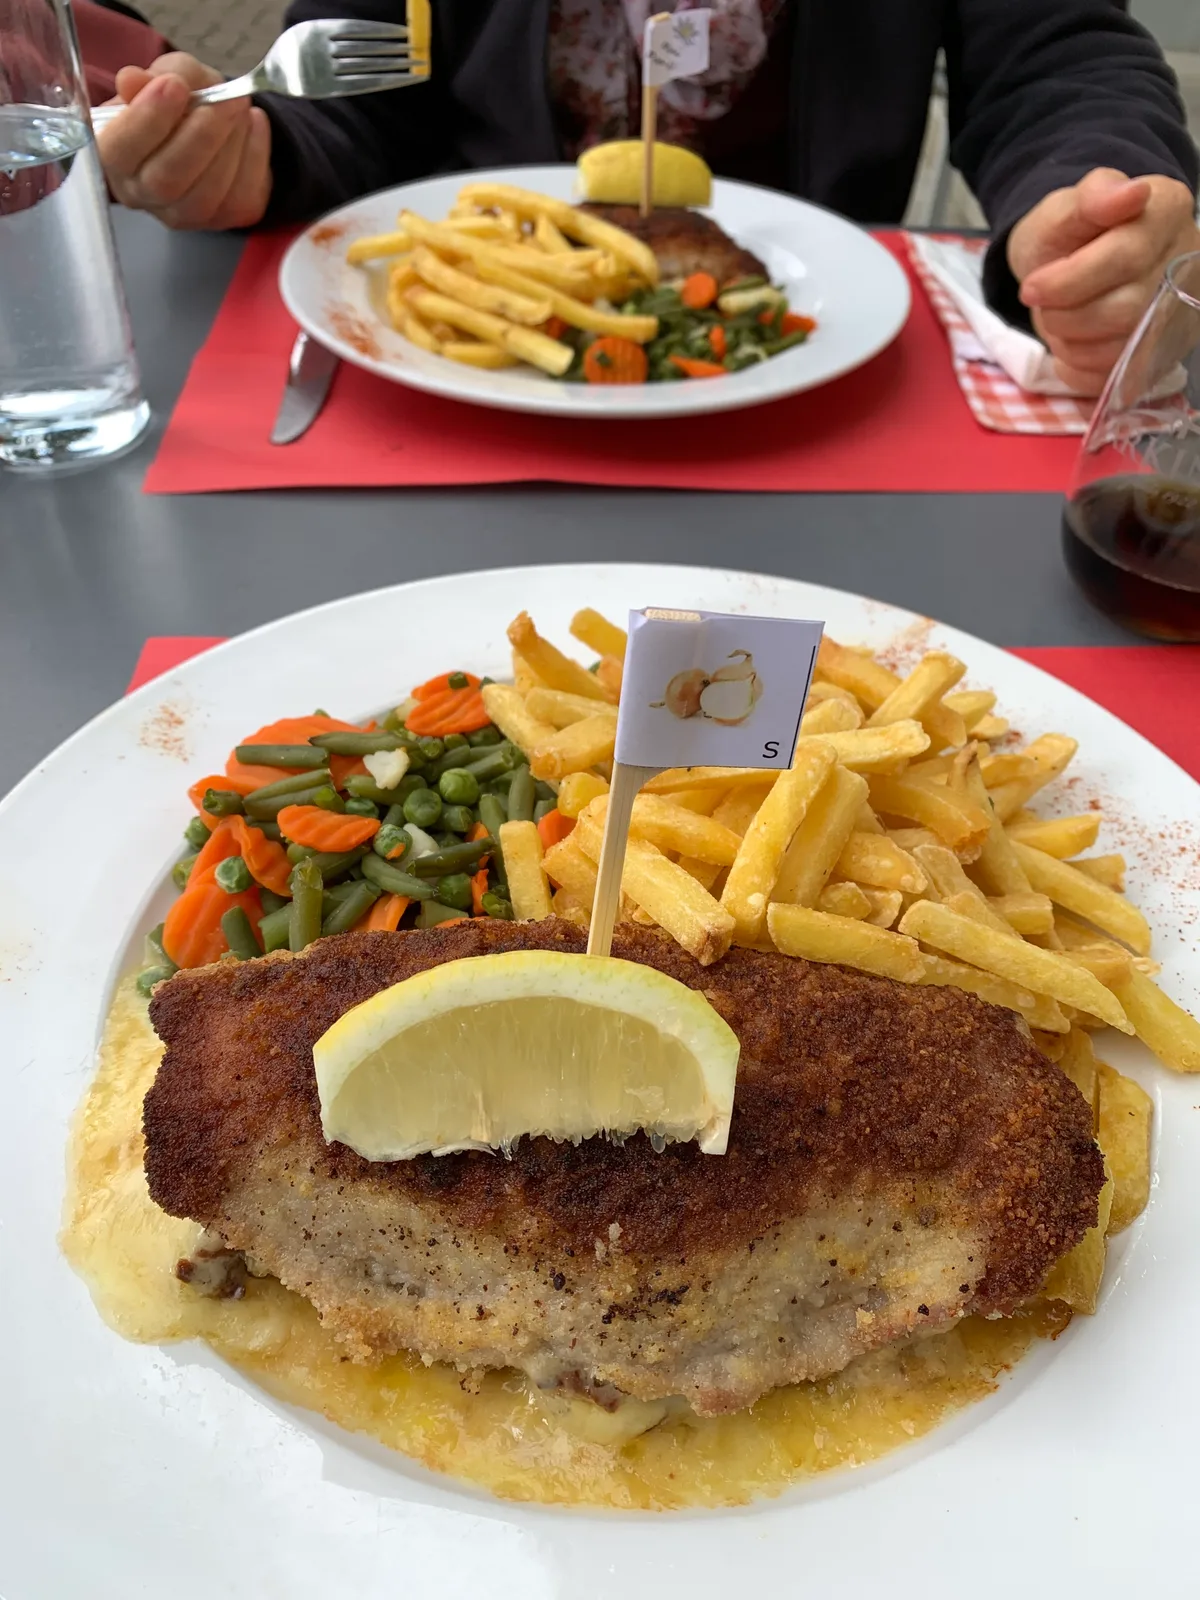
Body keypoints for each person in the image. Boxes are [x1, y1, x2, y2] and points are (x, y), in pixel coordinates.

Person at [96, 0, 1200, 394]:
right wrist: (258, 155)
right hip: (443, 377)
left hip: (808, 369)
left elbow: (1064, 56)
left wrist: (1089, 209)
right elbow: (350, 92)